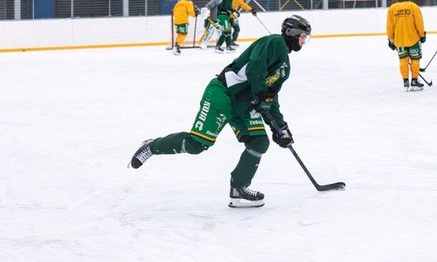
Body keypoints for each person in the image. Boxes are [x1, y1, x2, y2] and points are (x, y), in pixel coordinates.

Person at [129, 15, 313, 208]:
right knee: (197, 145)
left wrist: (281, 127)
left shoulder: (285, 68)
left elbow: (271, 97)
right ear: (291, 33)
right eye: (303, 36)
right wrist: (260, 96)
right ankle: (152, 146)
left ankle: (239, 188)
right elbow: (255, 68)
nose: (304, 41)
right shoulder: (274, 42)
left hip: (243, 104)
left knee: (259, 142)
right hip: (222, 94)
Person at [386, 0, 426, 91]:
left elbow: (389, 26)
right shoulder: (413, 6)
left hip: (399, 40)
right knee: (415, 60)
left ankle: (405, 81)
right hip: (413, 39)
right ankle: (414, 81)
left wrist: (390, 39)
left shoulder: (392, 8)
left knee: (403, 61)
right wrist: (422, 35)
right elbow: (419, 23)